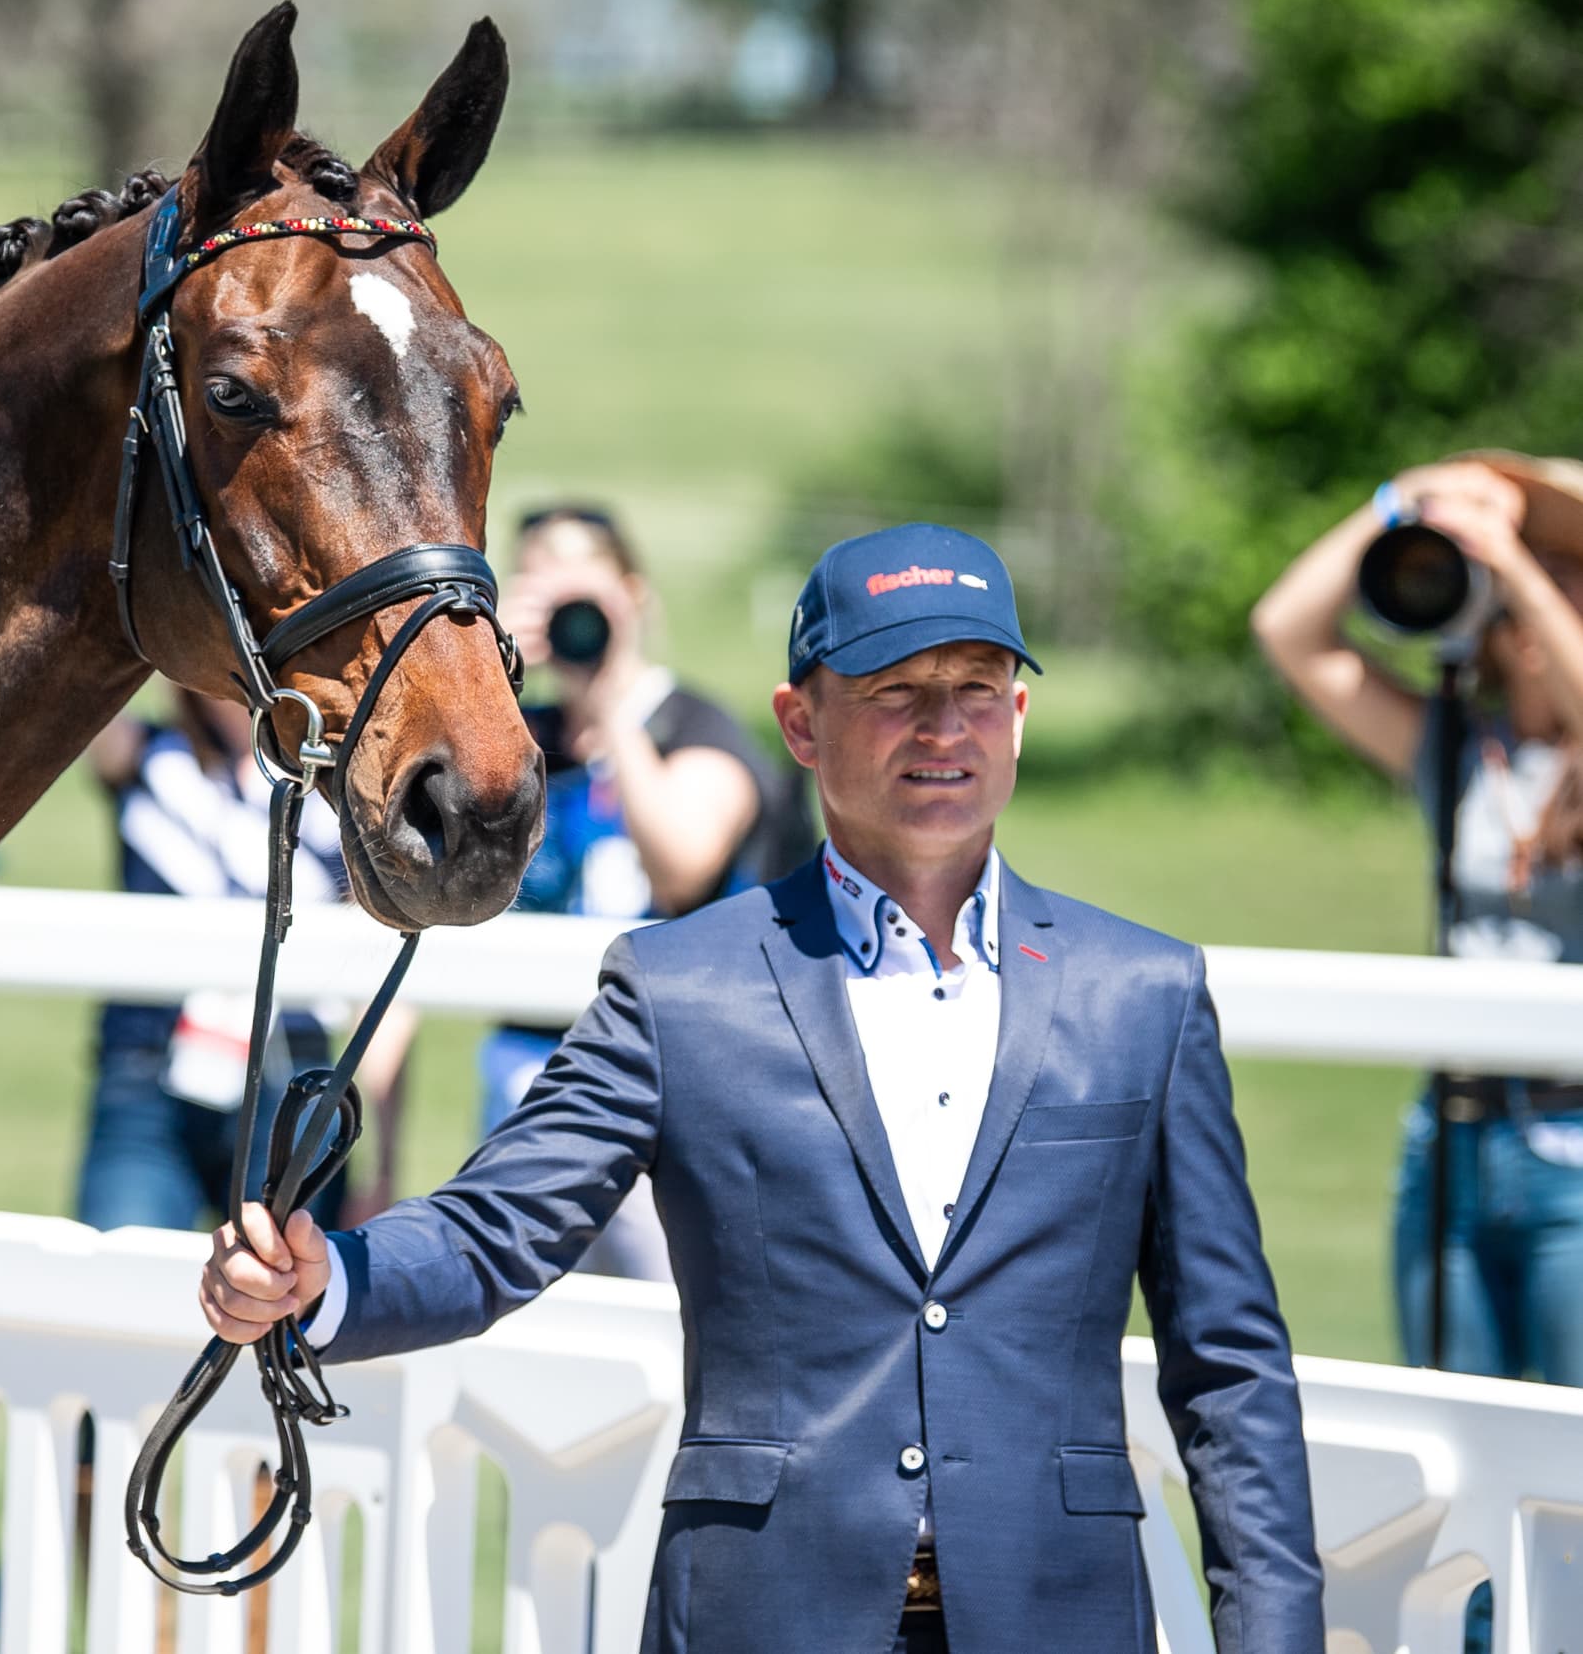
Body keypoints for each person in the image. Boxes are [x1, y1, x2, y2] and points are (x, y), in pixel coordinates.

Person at [200, 524, 1324, 1654]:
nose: (943, 727)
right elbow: (499, 1228)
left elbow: (1228, 1368)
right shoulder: (680, 985)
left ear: (1018, 722)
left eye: (977, 689)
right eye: (895, 691)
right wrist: (325, 1279)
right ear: (800, 722)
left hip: (1059, 1615)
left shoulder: (1144, 991)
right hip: (764, 1612)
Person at [1252, 450, 1583, 1386]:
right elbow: (1290, 629)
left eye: (1565, 575)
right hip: (1453, 1133)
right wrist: (1403, 502)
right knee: (1457, 1439)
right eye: (1531, 574)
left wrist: (1511, 561)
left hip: (1574, 1146)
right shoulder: (1463, 753)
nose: (1538, 594)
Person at [483, 505, 813, 1278]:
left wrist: (607, 703)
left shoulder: (695, 728)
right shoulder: (510, 735)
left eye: (582, 587)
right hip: (521, 1080)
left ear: (636, 598)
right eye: (539, 582)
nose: (563, 608)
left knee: (662, 1338)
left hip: (661, 1093)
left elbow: (681, 865)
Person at [77, 688, 416, 1232]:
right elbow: (79, 688)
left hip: (296, 1079)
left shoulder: (344, 800)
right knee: (118, 1281)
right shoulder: (149, 759)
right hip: (148, 1068)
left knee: (282, 1296)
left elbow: (381, 992)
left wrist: (384, 1166)